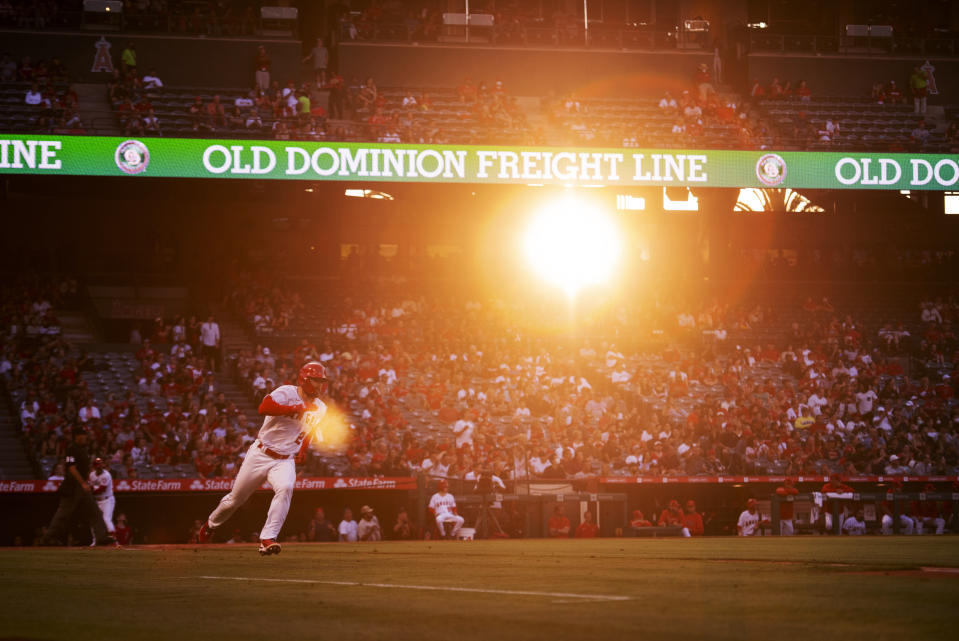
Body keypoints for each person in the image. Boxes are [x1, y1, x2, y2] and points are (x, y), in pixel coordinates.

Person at [195, 361, 330, 555]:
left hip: (284, 459)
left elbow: (310, 430)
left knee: (285, 488)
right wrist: (293, 408)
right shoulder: (286, 392)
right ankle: (210, 524)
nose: (320, 385)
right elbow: (264, 407)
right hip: (261, 453)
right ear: (305, 379)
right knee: (235, 499)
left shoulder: (321, 407)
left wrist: (303, 450)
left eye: (322, 381)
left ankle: (267, 538)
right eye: (316, 380)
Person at [42, 427, 115, 546]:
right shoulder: (71, 449)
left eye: (85, 435)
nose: (85, 437)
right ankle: (49, 538)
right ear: (76, 436)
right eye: (82, 435)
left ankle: (101, 537)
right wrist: (82, 483)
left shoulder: (83, 449)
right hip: (72, 486)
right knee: (63, 514)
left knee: (94, 512)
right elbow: (71, 468)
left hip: (82, 487)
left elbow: (84, 468)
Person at [88, 457, 116, 545]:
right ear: (94, 466)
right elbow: (91, 487)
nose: (99, 466)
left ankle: (114, 540)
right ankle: (95, 540)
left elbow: (101, 490)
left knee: (106, 519)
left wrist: (92, 489)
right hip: (96, 500)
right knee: (94, 521)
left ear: (102, 465)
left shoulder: (106, 475)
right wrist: (92, 489)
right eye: (97, 465)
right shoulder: (92, 475)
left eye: (100, 464)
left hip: (107, 500)